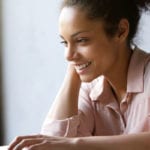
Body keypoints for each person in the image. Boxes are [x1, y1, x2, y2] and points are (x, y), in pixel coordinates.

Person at [8, 0, 150, 149]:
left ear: (121, 31)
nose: (67, 55)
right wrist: (74, 69)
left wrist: (77, 144)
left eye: (81, 40)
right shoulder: (90, 89)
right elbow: (53, 143)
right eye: (65, 43)